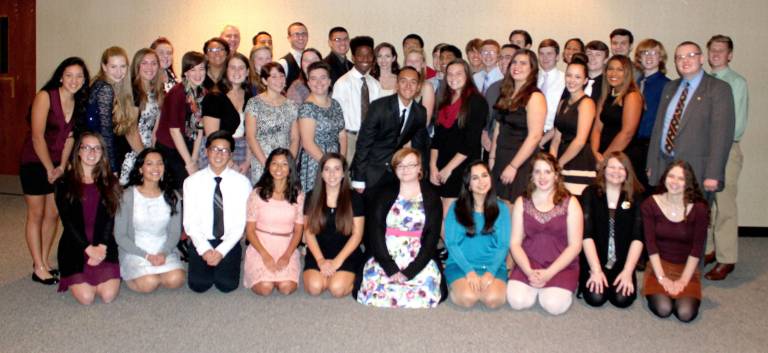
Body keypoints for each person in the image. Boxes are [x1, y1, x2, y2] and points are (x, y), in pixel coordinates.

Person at [21, 57, 89, 285]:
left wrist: (61, 166)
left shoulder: (80, 101)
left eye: (79, 76)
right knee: (36, 214)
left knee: (53, 214)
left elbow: (71, 138)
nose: (74, 80)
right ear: (61, 76)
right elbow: (36, 136)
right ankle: (38, 265)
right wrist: (50, 168)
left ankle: (44, 261)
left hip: (58, 166)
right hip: (35, 162)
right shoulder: (45, 97)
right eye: (69, 75)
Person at [356, 148, 445, 308]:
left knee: (426, 289)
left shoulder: (432, 197)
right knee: (373, 287)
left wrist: (409, 272)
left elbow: (432, 238)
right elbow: (375, 232)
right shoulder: (383, 194)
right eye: (400, 166)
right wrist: (390, 268)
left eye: (411, 165)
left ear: (420, 168)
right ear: (395, 169)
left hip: (419, 254)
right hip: (386, 253)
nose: (405, 170)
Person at [646, 41, 735, 195]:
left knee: (693, 218)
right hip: (664, 167)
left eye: (691, 56)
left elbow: (722, 135)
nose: (685, 60)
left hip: (697, 170)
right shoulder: (669, 88)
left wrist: (713, 174)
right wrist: (651, 164)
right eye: (679, 57)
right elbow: (658, 129)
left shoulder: (718, 89)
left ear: (701, 59)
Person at [507, 152, 583, 315]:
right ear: (532, 176)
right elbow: (515, 243)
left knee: (553, 305)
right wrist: (528, 271)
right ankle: (536, 285)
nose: (542, 177)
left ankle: (549, 288)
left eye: (547, 171)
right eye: (537, 171)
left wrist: (549, 273)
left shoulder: (571, 202)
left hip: (561, 265)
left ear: (556, 175)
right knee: (517, 302)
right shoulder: (522, 202)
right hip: (529, 262)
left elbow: (575, 246)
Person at [54, 132, 122, 304]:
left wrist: (102, 247)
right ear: (78, 151)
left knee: (108, 296)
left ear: (102, 153)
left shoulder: (110, 181)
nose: (92, 153)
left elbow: (109, 220)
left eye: (97, 148)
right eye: (86, 148)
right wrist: (87, 249)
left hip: (102, 242)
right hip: (75, 243)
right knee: (86, 298)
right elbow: (68, 223)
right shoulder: (64, 183)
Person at [183, 130, 251, 293]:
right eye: (214, 149)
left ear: (231, 155)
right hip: (202, 240)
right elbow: (190, 222)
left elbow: (240, 224)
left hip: (229, 240)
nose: (219, 154)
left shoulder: (242, 183)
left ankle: (227, 258)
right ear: (206, 151)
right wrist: (205, 250)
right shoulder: (191, 182)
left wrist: (221, 251)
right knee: (199, 285)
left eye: (224, 150)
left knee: (226, 285)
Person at [704, 35, 749, 280]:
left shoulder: (736, 83)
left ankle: (727, 258)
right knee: (707, 204)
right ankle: (710, 250)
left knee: (725, 205)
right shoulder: (705, 82)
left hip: (727, 149)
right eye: (712, 50)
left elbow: (737, 125)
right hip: (704, 150)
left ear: (730, 55)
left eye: (721, 50)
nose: (716, 54)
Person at [641, 161, 708, 322]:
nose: (674, 182)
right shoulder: (650, 204)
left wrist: (683, 280)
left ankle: (681, 290)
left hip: (686, 268)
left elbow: (697, 248)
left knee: (686, 313)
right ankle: (655, 289)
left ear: (688, 182)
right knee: (664, 309)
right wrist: (662, 278)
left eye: (681, 178)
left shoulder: (699, 209)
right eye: (671, 176)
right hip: (658, 266)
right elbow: (651, 245)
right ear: (664, 178)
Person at [115, 148, 185, 293]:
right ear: (140, 169)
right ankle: (136, 273)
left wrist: (164, 253)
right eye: (149, 164)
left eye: (160, 164)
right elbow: (120, 235)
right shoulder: (127, 196)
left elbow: (174, 233)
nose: (155, 168)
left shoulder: (172, 196)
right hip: (135, 250)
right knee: (149, 283)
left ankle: (157, 270)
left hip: (163, 249)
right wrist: (146, 256)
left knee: (176, 280)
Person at [580, 152, 644, 308]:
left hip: (623, 262)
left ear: (627, 172)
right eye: (612, 167)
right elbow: (586, 234)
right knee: (595, 298)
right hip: (595, 259)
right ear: (604, 169)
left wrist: (628, 272)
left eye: (621, 168)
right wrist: (595, 270)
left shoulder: (636, 197)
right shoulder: (590, 193)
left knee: (622, 300)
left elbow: (638, 237)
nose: (616, 172)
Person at [351, 66, 428, 192]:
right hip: (371, 171)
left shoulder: (420, 113)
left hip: (397, 173)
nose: (408, 86)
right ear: (397, 85)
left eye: (413, 82)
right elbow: (363, 143)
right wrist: (359, 178)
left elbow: (419, 148)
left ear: (418, 87)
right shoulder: (379, 107)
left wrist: (420, 174)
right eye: (403, 81)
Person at [444, 161, 510, 308]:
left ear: (491, 179)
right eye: (475, 178)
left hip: (493, 265)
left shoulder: (502, 209)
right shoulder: (456, 207)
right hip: (461, 265)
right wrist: (469, 272)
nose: (481, 181)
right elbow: (451, 243)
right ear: (468, 184)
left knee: (494, 301)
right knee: (468, 299)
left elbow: (503, 245)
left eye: (484, 176)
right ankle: (455, 286)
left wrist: (491, 273)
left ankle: (483, 286)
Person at [244, 148, 305, 295]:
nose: (279, 168)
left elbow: (298, 231)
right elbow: (250, 231)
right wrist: (265, 255)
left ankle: (279, 276)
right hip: (261, 246)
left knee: (287, 288)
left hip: (286, 246)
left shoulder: (298, 195)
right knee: (265, 288)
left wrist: (287, 255)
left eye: (284, 164)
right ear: (268, 166)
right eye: (274, 163)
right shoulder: (257, 194)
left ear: (290, 168)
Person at [303, 153, 365, 297]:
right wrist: (320, 260)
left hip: (346, 252)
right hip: (319, 251)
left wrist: (337, 262)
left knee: (337, 289)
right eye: (327, 169)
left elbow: (357, 235)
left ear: (343, 173)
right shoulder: (311, 197)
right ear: (321, 174)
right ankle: (326, 272)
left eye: (337, 169)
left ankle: (353, 275)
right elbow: (309, 232)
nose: (332, 174)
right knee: (315, 287)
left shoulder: (355, 198)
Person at [430, 59, 487, 212]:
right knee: (437, 212)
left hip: (461, 167)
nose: (453, 77)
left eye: (458, 73)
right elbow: (436, 139)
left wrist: (449, 169)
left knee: (450, 214)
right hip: (441, 165)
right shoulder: (444, 101)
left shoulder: (476, 101)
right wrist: (432, 166)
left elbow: (470, 142)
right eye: (450, 73)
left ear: (467, 75)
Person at [490, 49, 546, 203]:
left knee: (515, 207)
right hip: (501, 157)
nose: (517, 66)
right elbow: (498, 128)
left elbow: (535, 136)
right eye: (514, 62)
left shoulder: (535, 96)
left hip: (521, 161)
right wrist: (492, 156)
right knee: (499, 207)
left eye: (523, 63)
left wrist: (513, 166)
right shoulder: (506, 93)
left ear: (532, 69)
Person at [154, 51, 207, 191]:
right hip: (170, 148)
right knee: (179, 190)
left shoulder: (202, 93)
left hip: (187, 146)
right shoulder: (177, 93)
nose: (198, 74)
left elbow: (199, 127)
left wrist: (194, 158)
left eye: (201, 69)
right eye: (192, 69)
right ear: (185, 72)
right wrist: (189, 163)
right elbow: (174, 131)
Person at [245, 62, 300, 184]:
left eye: (281, 76)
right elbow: (251, 137)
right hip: (262, 163)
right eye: (274, 76)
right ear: (265, 81)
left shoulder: (291, 105)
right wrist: (267, 165)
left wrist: (289, 163)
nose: (279, 80)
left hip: (285, 165)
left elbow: (295, 138)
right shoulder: (254, 103)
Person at [201, 53, 253, 178]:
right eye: (232, 67)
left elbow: (251, 133)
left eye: (241, 68)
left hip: (244, 151)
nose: (237, 71)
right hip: (217, 151)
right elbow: (212, 137)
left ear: (247, 72)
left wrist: (248, 162)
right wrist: (230, 162)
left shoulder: (250, 96)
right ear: (226, 71)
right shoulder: (214, 97)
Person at [87, 46, 137, 173]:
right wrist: (112, 168)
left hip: (94, 153)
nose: (119, 72)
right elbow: (105, 132)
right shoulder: (105, 89)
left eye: (123, 66)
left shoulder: (101, 84)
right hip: (98, 156)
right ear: (104, 67)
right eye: (113, 67)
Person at [549, 59, 596, 195]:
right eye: (569, 75)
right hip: (560, 159)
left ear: (585, 80)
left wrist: (559, 164)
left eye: (577, 77)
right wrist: (552, 162)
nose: (572, 80)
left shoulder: (587, 103)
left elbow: (580, 141)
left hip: (578, 160)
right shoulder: (563, 102)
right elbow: (556, 137)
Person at [590, 55, 643, 174]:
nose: (613, 73)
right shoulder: (606, 95)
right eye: (610, 69)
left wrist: (606, 158)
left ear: (628, 73)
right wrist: (594, 152)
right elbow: (597, 127)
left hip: (622, 158)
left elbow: (627, 133)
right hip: (602, 156)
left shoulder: (632, 96)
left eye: (620, 70)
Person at [119, 48, 165, 185]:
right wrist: (145, 159)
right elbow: (130, 131)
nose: (150, 67)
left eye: (154, 63)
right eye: (144, 63)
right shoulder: (132, 91)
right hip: (132, 154)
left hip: (148, 152)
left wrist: (153, 156)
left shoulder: (157, 92)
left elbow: (155, 130)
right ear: (137, 66)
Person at [298, 61, 346, 192]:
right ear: (308, 83)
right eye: (313, 78)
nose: (318, 82)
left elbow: (342, 135)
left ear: (330, 81)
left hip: (335, 158)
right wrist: (328, 167)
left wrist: (340, 163)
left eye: (323, 77)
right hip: (316, 162)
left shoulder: (335, 104)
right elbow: (307, 143)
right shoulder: (307, 108)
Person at [332, 36, 381, 164]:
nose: (365, 59)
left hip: (371, 139)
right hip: (350, 139)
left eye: (369, 55)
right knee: (348, 178)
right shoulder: (342, 83)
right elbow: (336, 116)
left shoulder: (375, 84)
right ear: (353, 58)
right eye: (360, 55)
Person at [633, 39, 671, 192]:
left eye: (654, 53)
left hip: (651, 147)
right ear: (639, 57)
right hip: (633, 145)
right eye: (645, 53)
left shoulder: (667, 85)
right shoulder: (635, 83)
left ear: (661, 58)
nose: (649, 57)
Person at [536, 39, 565, 144]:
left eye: (549, 54)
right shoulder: (531, 78)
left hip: (554, 136)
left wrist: (546, 138)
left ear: (557, 57)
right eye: (541, 54)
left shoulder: (565, 80)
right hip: (530, 133)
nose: (545, 58)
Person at [403, 48, 436, 121]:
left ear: (422, 64)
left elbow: (426, 121)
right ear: (405, 63)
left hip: (418, 131)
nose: (413, 63)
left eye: (417, 61)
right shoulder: (398, 85)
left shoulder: (427, 87)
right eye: (410, 60)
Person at [279, 22, 309, 88]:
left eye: (304, 34)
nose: (301, 37)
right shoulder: (283, 63)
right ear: (289, 38)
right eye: (296, 34)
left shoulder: (313, 59)